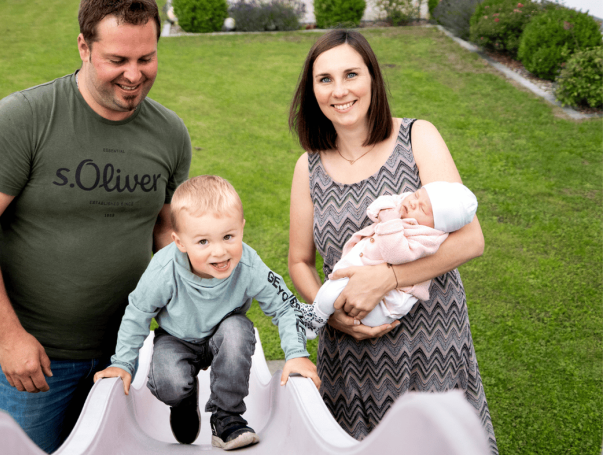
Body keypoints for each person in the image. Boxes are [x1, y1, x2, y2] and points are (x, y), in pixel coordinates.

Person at [0, 0, 191, 452]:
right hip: (36, 359)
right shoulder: (25, 118)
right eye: (117, 60)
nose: (134, 75)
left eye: (146, 58)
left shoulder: (170, 133)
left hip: (125, 353)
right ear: (83, 46)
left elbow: (165, 230)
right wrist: (8, 336)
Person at [287, 30, 498, 453]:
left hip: (430, 345)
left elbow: (471, 239)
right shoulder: (307, 167)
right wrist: (330, 316)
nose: (339, 90)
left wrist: (387, 278)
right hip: (349, 360)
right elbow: (299, 262)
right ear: (312, 91)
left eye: (351, 74)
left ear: (373, 79)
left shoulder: (417, 137)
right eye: (324, 79)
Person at [93, 175, 320, 451]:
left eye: (228, 236)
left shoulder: (248, 265)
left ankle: (227, 419)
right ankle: (183, 400)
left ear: (242, 229)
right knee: (170, 384)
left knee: (238, 330)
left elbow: (284, 305)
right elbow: (138, 313)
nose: (220, 252)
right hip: (176, 338)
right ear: (180, 242)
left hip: (224, 334)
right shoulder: (165, 271)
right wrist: (123, 363)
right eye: (203, 241)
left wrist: (296, 353)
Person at [301, 182, 478, 335]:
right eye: (416, 195)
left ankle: (312, 320)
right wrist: (386, 208)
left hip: (386, 302)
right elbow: (378, 208)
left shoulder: (428, 238)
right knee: (332, 293)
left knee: (331, 290)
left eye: (422, 208)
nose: (413, 203)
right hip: (366, 286)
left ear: (437, 226)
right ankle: (319, 315)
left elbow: (396, 255)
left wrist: (389, 221)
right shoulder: (408, 206)